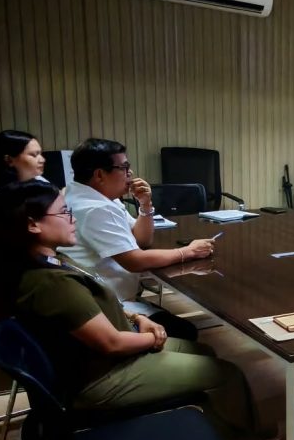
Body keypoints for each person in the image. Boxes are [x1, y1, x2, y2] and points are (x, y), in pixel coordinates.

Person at [0, 179, 275, 440]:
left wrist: (138, 319)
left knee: (205, 351)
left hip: (112, 352)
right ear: (32, 224)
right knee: (228, 373)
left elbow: (94, 306)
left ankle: (212, 430)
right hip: (104, 377)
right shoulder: (50, 283)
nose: (72, 219)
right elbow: (111, 344)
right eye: (63, 213)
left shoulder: (49, 259)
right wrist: (152, 338)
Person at [61, 138, 215, 341]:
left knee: (180, 326)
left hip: (101, 295)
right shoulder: (95, 208)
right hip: (106, 304)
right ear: (99, 174)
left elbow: (142, 241)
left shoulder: (84, 194)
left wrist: (145, 204)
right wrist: (188, 252)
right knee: (185, 331)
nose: (130, 173)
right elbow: (134, 261)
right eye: (124, 168)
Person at [0, 130, 46, 217]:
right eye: (34, 155)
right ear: (9, 160)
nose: (42, 160)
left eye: (40, 154)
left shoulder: (39, 179)